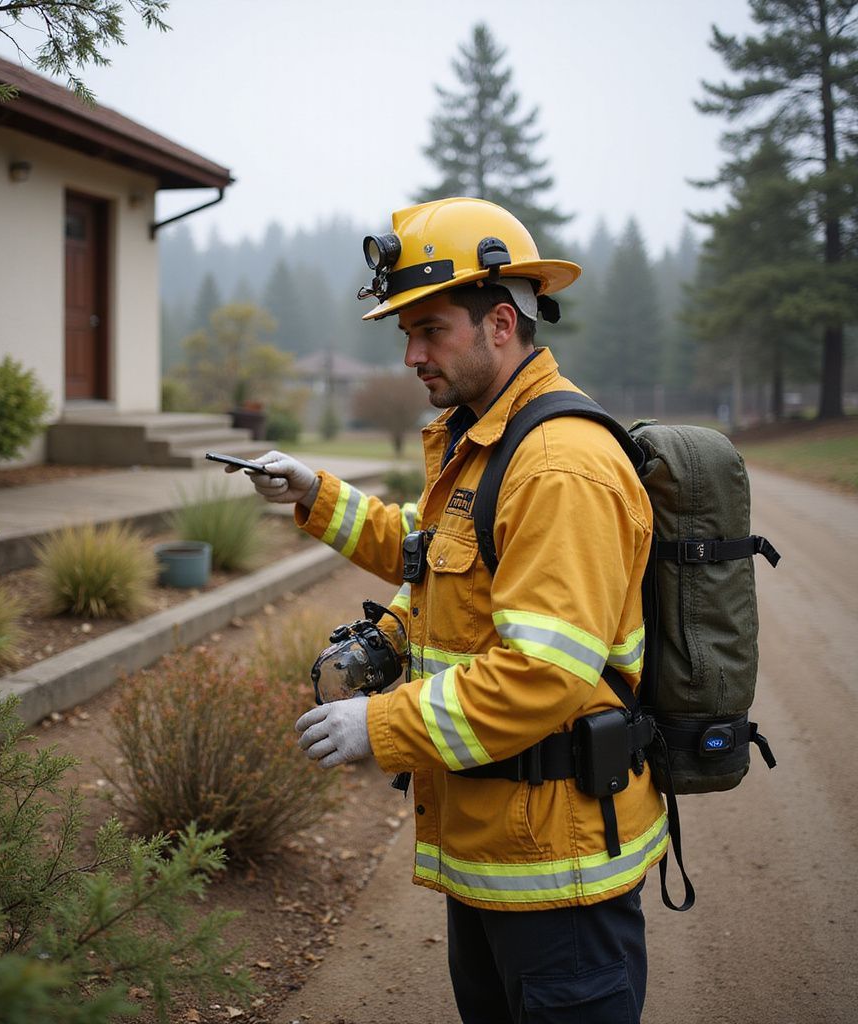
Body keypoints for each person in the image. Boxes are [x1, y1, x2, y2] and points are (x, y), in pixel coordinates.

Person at [239, 198, 668, 1023]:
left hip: (558, 877)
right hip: (494, 850)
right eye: (405, 332)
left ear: (500, 323)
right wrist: (315, 493)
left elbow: (543, 675)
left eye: (429, 330)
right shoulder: (486, 441)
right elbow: (428, 555)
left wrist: (381, 725)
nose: (409, 355)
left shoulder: (558, 466)